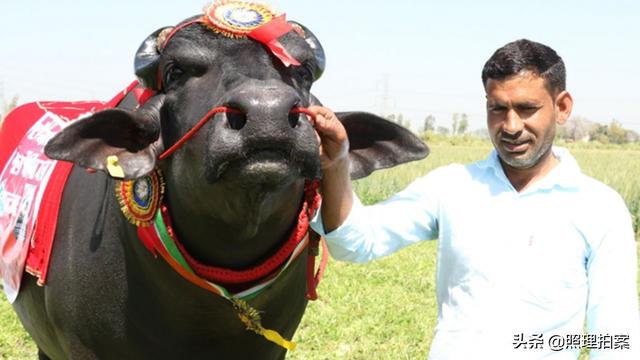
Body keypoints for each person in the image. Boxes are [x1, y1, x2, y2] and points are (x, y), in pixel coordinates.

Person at [308, 39, 640, 359]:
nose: (511, 126)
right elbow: (356, 242)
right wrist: (336, 162)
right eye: (498, 108)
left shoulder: (600, 208)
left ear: (562, 107)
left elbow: (615, 334)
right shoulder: (453, 186)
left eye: (527, 109)